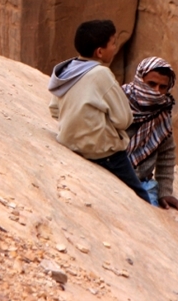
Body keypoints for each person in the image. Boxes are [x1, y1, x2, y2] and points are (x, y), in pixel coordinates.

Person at [48, 20, 151, 203]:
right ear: (100, 52)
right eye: (113, 43)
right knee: (141, 195)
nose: (115, 47)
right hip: (103, 154)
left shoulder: (69, 70)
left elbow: (54, 109)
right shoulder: (101, 74)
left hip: (69, 142)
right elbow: (124, 119)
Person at [122, 56, 178, 212]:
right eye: (151, 84)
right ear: (139, 79)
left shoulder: (162, 113)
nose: (156, 91)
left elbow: (166, 153)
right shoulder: (120, 100)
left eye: (162, 87)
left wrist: (164, 192)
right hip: (113, 172)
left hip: (143, 182)